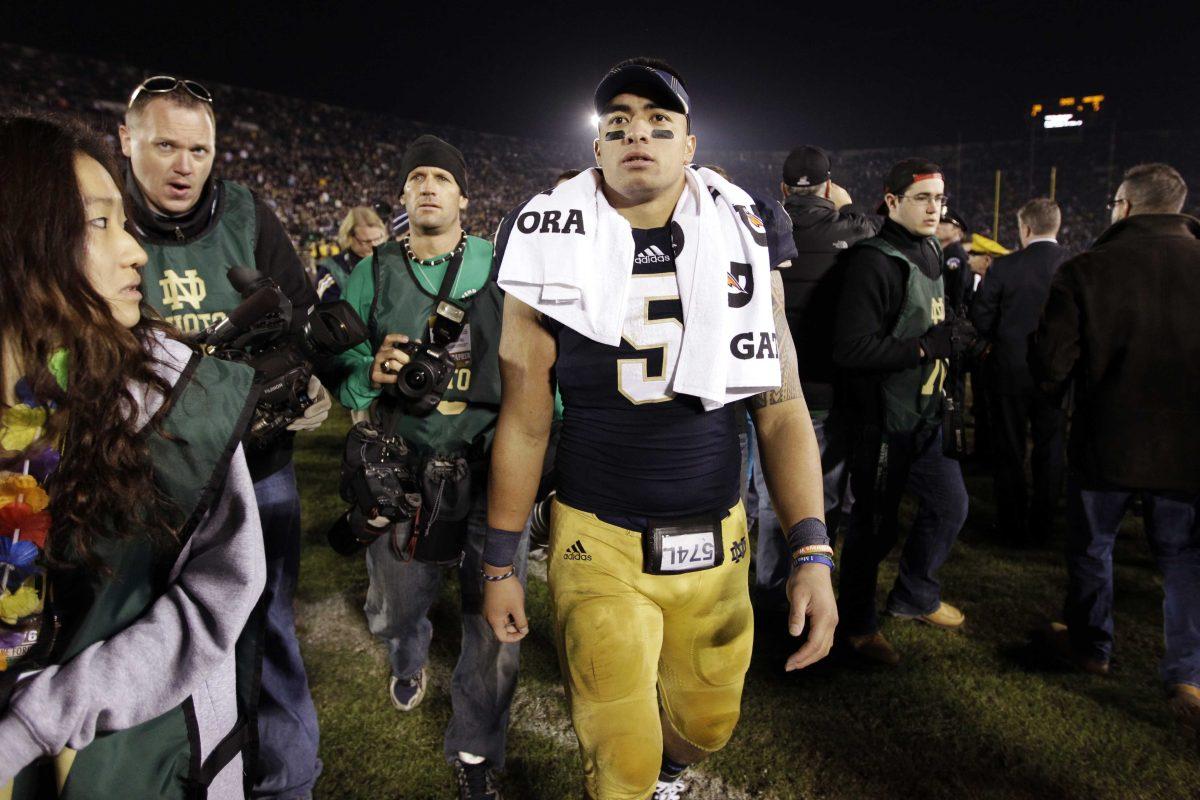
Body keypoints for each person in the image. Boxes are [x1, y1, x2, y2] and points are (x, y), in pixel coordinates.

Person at [482, 58, 835, 800]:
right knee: (620, 759)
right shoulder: (547, 232)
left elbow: (780, 403)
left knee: (708, 724)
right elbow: (524, 417)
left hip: (719, 534)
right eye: (617, 126)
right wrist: (501, 561)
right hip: (598, 535)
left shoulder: (747, 228)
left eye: (658, 124)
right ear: (598, 151)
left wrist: (812, 547)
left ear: (689, 146)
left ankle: (673, 773)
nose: (636, 133)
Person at [0, 112, 264, 798]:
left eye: (122, 221)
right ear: (21, 242)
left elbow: (223, 588)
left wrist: (35, 722)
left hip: (143, 763)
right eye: (99, 224)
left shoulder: (169, 394)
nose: (135, 251)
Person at [118, 76, 327, 799]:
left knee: (268, 630)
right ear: (126, 141)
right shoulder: (98, 214)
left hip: (255, 470)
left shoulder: (248, 213)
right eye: (165, 145)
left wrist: (299, 376)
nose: (183, 165)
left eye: (199, 149)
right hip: (145, 478)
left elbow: (303, 323)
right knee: (147, 636)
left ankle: (287, 783)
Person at [334, 135, 526, 800]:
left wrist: (546, 443)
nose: (428, 187)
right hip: (403, 470)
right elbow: (342, 365)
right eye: (416, 177)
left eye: (441, 177)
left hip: (489, 469)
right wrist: (368, 374)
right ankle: (406, 652)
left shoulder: (502, 268)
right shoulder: (376, 269)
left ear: (464, 197)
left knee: (494, 628)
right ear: (404, 194)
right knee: (395, 607)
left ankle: (476, 754)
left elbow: (534, 366)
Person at [1030, 163, 1200, 732]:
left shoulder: (1086, 269)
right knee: (1183, 561)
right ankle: (1186, 673)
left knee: (1093, 550)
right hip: (1187, 451)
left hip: (1108, 443)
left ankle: (1091, 647)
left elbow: (1052, 364)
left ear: (1124, 206)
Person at [832, 159, 974, 666]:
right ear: (891, 201)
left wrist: (956, 336)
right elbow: (850, 349)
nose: (934, 207)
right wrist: (924, 347)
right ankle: (856, 625)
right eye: (922, 198)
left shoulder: (932, 248)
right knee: (874, 528)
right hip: (885, 421)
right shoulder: (874, 260)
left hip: (928, 414)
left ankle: (914, 595)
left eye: (939, 198)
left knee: (951, 506)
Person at [752, 145, 882, 599]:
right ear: (828, 186)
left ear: (784, 188)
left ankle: (769, 587)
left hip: (768, 380)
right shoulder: (854, 230)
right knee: (816, 496)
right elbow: (870, 228)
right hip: (827, 388)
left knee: (769, 493)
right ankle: (797, 590)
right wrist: (842, 203)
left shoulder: (761, 225)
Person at [970, 198, 1068, 545]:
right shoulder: (1074, 264)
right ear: (1056, 226)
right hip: (1057, 373)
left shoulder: (1006, 267)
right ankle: (1042, 526)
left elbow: (981, 317)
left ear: (1025, 228)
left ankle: (1011, 524)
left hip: (1010, 369)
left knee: (1009, 447)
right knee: (1050, 446)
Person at [315, 205, 388, 301]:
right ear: (349, 237)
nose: (374, 246)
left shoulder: (390, 261)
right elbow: (326, 310)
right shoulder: (332, 271)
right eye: (366, 241)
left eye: (377, 239)